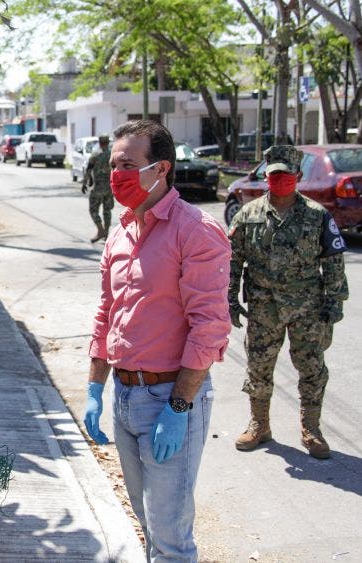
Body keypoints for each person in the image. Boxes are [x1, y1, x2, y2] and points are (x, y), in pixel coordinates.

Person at [83, 120, 231, 561]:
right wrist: (95, 387)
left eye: (127, 164)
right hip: (125, 396)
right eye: (113, 164)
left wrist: (180, 406)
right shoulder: (120, 233)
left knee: (170, 537)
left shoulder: (195, 231)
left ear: (161, 168)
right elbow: (107, 313)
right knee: (147, 522)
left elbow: (209, 328)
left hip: (169, 398)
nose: (116, 174)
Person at [228, 145, 348, 459]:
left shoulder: (317, 215)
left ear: (297, 176)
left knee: (311, 368)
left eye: (286, 174)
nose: (280, 180)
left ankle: (311, 429)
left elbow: (333, 260)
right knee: (258, 367)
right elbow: (232, 260)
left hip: (307, 309)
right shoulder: (248, 214)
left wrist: (334, 303)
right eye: (274, 175)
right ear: (267, 177)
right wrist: (229, 298)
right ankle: (260, 424)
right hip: (263, 308)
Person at [82, 135, 113, 242]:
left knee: (93, 210)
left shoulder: (95, 155)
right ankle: (106, 233)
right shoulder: (112, 155)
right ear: (108, 143)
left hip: (98, 188)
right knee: (107, 211)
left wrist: (84, 183)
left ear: (99, 143)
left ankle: (101, 230)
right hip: (110, 188)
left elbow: (88, 170)